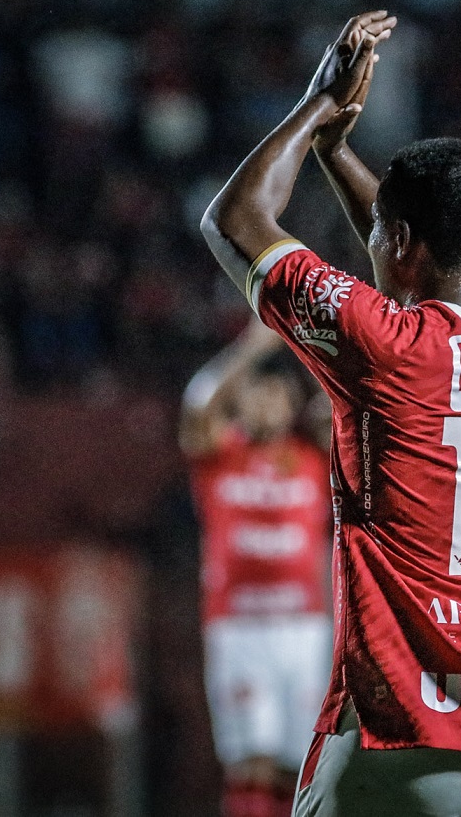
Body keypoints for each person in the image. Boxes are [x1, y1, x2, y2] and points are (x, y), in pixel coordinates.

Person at [201, 11, 461, 815]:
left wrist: (316, 110)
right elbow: (416, 257)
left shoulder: (385, 347)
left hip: (405, 740)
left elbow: (234, 221)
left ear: (403, 239)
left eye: (381, 231)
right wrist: (337, 153)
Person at [180, 320, 333, 817]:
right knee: (251, 763)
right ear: (240, 403)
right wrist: (251, 347)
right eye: (256, 394)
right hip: (240, 628)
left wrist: (302, 349)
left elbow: (343, 412)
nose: (267, 403)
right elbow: (198, 406)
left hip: (303, 628)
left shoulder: (312, 458)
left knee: (304, 764)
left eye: (276, 394)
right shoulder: (221, 456)